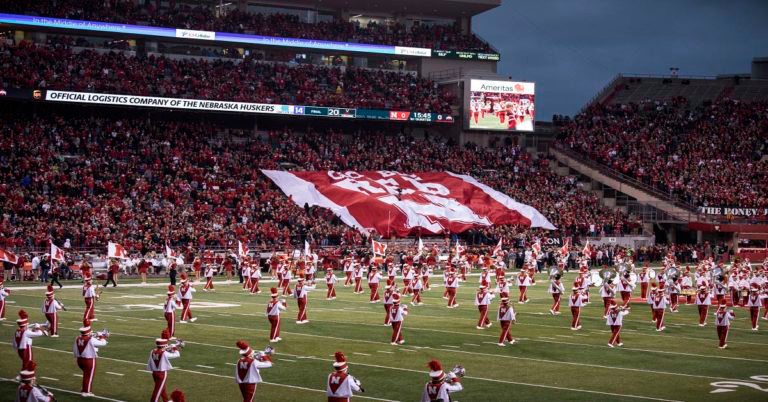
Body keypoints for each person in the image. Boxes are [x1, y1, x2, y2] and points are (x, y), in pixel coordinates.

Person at [73, 319, 108, 397]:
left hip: (79, 359)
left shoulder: (78, 338)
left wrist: (96, 337)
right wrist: (102, 337)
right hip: (89, 360)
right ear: (88, 332)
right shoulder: (90, 339)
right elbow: (103, 343)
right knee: (89, 375)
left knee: (86, 375)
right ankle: (86, 391)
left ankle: (85, 388)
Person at [147, 332, 181, 402]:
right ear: (163, 345)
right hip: (162, 373)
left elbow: (160, 351)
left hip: (154, 373)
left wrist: (168, 348)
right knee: (157, 391)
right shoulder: (164, 353)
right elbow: (177, 354)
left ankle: (166, 400)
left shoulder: (152, 351)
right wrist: (174, 347)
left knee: (161, 388)